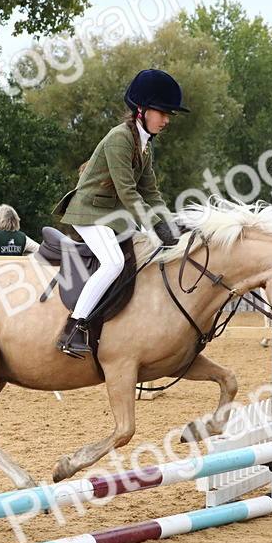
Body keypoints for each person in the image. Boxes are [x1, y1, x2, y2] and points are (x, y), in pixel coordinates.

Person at [51, 68, 188, 358]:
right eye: (162, 112)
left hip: (112, 215)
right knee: (113, 262)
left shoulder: (145, 144)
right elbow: (128, 191)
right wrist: (154, 224)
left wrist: (168, 222)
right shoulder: (120, 139)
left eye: (169, 115)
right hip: (89, 211)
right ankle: (74, 327)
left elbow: (150, 191)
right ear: (141, 109)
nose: (166, 120)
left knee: (143, 249)